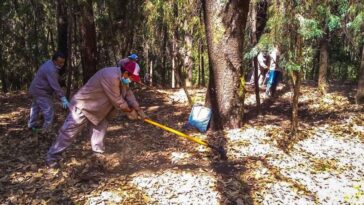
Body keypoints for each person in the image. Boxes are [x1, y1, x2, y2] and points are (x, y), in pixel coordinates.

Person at [45, 61, 147, 168]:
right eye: (131, 78)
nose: (131, 80)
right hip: (83, 105)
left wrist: (138, 109)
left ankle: (98, 157)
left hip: (100, 110)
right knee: (68, 132)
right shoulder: (110, 76)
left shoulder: (122, 79)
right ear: (126, 73)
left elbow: (128, 94)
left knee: (99, 132)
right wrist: (130, 111)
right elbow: (117, 100)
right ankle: (52, 157)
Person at [28, 51, 69, 133]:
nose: (62, 64)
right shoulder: (51, 70)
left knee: (35, 107)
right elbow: (55, 86)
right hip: (41, 91)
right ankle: (47, 129)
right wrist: (62, 97)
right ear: (54, 60)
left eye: (63, 62)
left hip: (35, 89)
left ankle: (31, 125)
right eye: (59, 62)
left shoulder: (50, 63)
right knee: (48, 110)